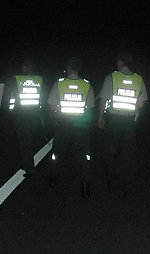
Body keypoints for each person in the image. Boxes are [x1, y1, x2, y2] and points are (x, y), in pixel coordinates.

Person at [97, 51, 148, 199]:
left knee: (109, 152)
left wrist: (100, 117)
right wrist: (135, 118)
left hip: (114, 120)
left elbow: (103, 100)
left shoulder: (112, 77)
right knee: (128, 154)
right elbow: (141, 103)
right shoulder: (139, 79)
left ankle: (111, 182)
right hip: (129, 122)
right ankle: (125, 184)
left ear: (120, 62)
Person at [47, 57, 95, 199]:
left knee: (57, 154)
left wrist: (58, 113)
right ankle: (85, 188)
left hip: (63, 124)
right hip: (80, 126)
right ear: (79, 69)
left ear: (68, 68)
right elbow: (90, 106)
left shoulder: (59, 84)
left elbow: (51, 106)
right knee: (83, 156)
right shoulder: (87, 85)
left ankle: (53, 181)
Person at [8, 58, 44, 178]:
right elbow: (41, 97)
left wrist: (10, 110)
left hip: (21, 115)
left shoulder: (16, 79)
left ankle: (29, 170)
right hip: (34, 115)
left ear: (24, 67)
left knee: (24, 142)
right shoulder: (39, 79)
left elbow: (12, 96)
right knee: (29, 141)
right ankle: (26, 163)